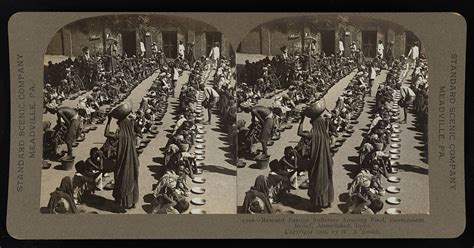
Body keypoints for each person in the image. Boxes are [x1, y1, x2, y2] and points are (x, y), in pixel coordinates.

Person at [297, 113, 334, 212]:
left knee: (316, 181)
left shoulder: (314, 135)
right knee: (326, 179)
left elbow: (300, 133)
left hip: (317, 163)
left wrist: (301, 120)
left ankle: (317, 205)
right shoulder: (325, 135)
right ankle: (327, 201)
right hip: (325, 162)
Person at [104, 114, 140, 212]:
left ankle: (121, 204)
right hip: (132, 162)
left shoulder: (121, 136)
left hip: (123, 163)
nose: (119, 127)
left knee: (122, 181)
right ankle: (132, 203)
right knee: (132, 181)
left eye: (119, 125)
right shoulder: (131, 135)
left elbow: (106, 134)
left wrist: (108, 121)